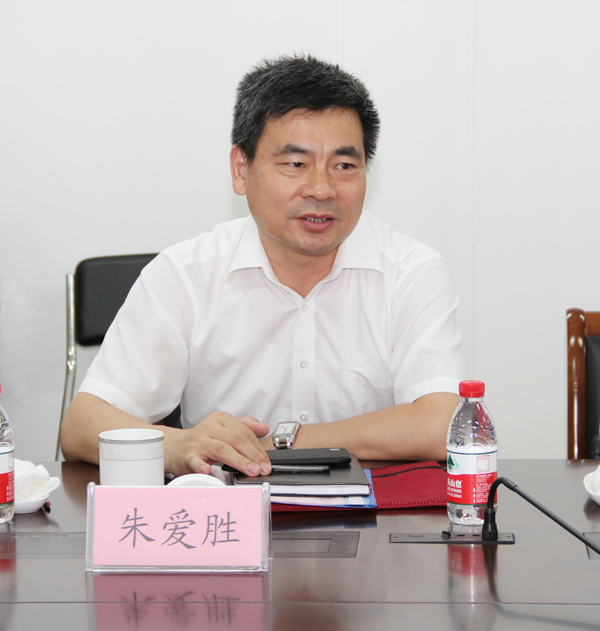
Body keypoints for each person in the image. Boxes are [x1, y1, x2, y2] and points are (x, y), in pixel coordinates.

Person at [61, 55, 467, 477]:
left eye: (344, 166)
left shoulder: (411, 272)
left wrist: (270, 445)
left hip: (372, 513)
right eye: (295, 164)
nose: (321, 189)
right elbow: (81, 425)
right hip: (226, 513)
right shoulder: (186, 274)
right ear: (241, 170)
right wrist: (183, 445)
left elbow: (444, 424)